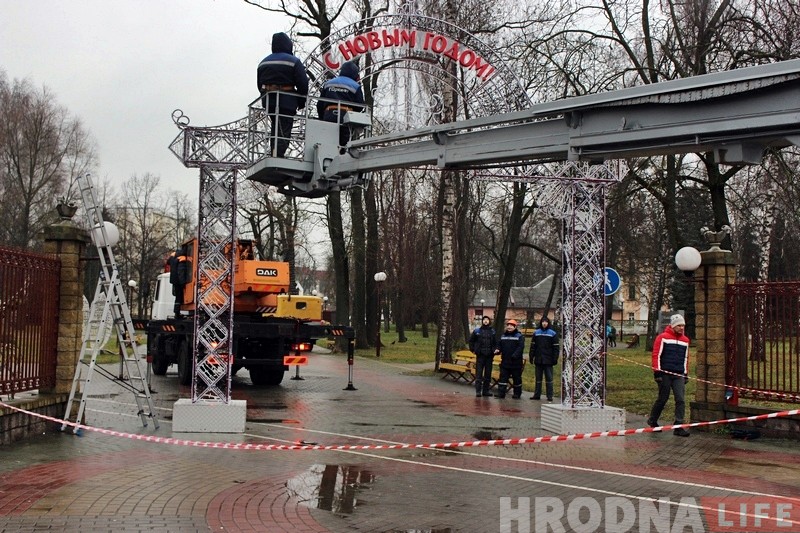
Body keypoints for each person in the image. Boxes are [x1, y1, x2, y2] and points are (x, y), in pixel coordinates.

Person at [257, 32, 309, 158]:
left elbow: (259, 85)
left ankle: (274, 152)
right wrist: (301, 102)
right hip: (287, 102)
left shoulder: (263, 63)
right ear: (288, 45)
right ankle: (278, 155)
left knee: (275, 127)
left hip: (269, 101)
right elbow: (303, 84)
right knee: (284, 128)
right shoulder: (294, 61)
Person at [648, 314, 691, 437]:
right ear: (673, 326)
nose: (682, 328)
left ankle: (678, 425)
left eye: (683, 325)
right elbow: (656, 355)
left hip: (678, 374)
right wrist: (657, 372)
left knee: (680, 399)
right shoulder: (662, 338)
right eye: (679, 325)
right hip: (664, 373)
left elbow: (686, 358)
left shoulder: (685, 340)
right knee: (663, 398)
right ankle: (653, 420)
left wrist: (685, 373)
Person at [316, 61, 365, 150]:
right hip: (345, 116)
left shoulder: (328, 83)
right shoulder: (355, 86)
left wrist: (322, 118)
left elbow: (320, 104)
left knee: (327, 142)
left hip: (329, 114)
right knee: (343, 144)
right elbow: (360, 106)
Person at [529, 317, 559, 401]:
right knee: (538, 379)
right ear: (541, 323)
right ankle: (537, 394)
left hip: (548, 359)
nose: (544, 323)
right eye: (543, 322)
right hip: (538, 359)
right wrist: (531, 356)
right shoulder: (536, 333)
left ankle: (550, 395)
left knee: (549, 379)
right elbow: (533, 346)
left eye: (546, 322)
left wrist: (555, 358)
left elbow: (556, 347)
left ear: (548, 323)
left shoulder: (552, 333)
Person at [495, 319, 525, 399]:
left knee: (517, 379)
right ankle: (501, 393)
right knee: (502, 378)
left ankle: (517, 394)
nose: (509, 327)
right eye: (508, 325)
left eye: (511, 326)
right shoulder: (503, 336)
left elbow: (520, 347)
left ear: (515, 327)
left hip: (516, 362)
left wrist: (514, 355)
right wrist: (497, 350)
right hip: (505, 361)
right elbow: (499, 345)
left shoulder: (519, 336)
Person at [469, 315, 497, 397]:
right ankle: (478, 391)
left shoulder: (492, 331)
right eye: (484, 319)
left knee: (488, 374)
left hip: (489, 356)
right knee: (479, 374)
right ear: (482, 321)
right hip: (480, 355)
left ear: (489, 321)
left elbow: (495, 342)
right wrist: (473, 350)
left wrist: (494, 350)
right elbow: (471, 341)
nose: (485, 321)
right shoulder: (477, 331)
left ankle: (486, 391)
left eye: (487, 319)